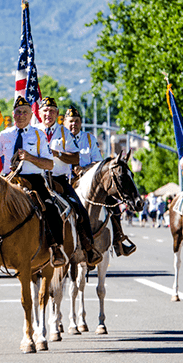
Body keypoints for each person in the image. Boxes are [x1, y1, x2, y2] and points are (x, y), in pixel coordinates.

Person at [0, 96, 66, 267]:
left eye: (24, 112)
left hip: (33, 180)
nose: (21, 115)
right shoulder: (5, 135)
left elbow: (49, 164)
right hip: (8, 179)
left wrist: (29, 157)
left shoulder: (39, 135)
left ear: (31, 116)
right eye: (18, 112)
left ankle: (56, 246)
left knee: (50, 207)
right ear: (13, 115)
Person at [34, 97, 99, 265]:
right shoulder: (33, 131)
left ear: (57, 114)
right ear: (40, 113)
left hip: (59, 180)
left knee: (79, 208)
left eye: (52, 111)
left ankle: (88, 246)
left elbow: (75, 157)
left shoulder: (64, 133)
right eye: (45, 111)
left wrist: (58, 154)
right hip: (36, 179)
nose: (48, 114)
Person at [64, 106, 136, 256]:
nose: (74, 124)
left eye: (77, 121)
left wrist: (83, 170)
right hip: (67, 180)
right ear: (64, 122)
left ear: (81, 123)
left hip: (89, 180)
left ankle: (118, 238)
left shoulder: (89, 138)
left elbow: (98, 163)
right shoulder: (61, 138)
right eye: (71, 121)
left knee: (111, 200)